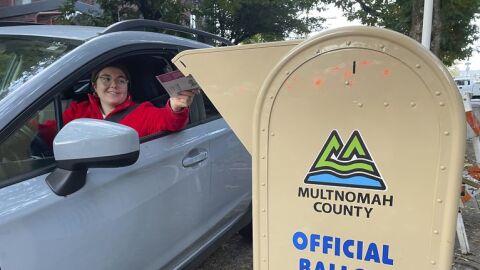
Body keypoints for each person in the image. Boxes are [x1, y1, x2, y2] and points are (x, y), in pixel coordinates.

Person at [41, 63, 196, 139]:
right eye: (106, 79)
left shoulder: (142, 111)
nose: (114, 85)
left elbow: (169, 121)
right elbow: (51, 132)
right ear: (95, 86)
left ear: (127, 86)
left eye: (121, 81)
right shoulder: (78, 111)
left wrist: (175, 107)